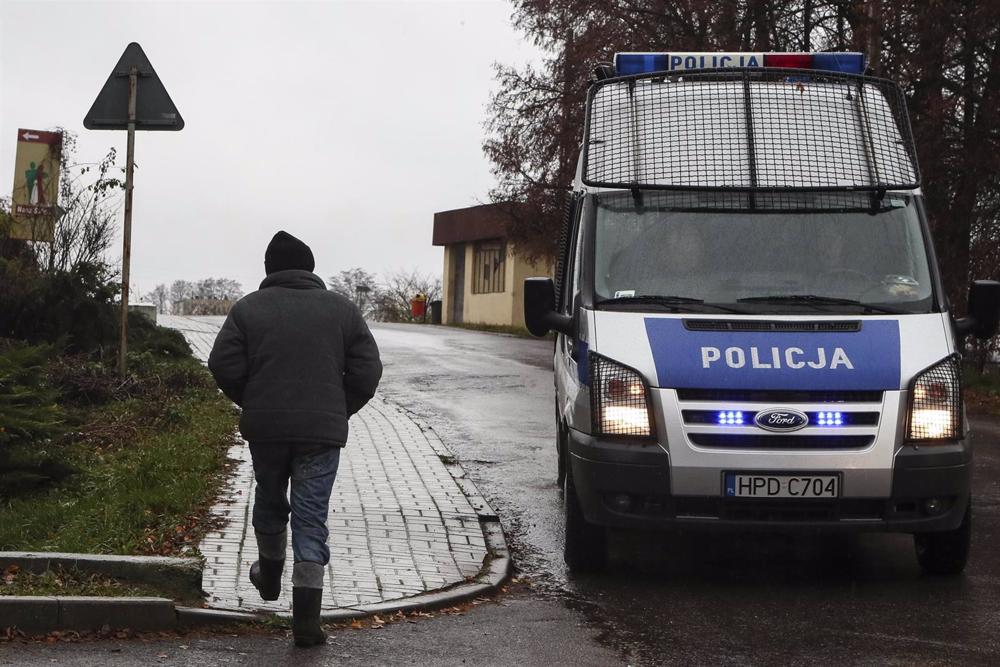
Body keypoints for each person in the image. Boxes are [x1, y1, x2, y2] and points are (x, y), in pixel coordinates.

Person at [208, 231, 382, 647]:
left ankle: (268, 579)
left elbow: (222, 364)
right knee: (310, 516)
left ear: (269, 270)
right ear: (310, 268)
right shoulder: (342, 310)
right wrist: (339, 408)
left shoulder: (247, 309)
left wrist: (252, 400)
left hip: (266, 432)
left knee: (270, 498)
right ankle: (306, 619)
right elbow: (368, 371)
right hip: (321, 436)